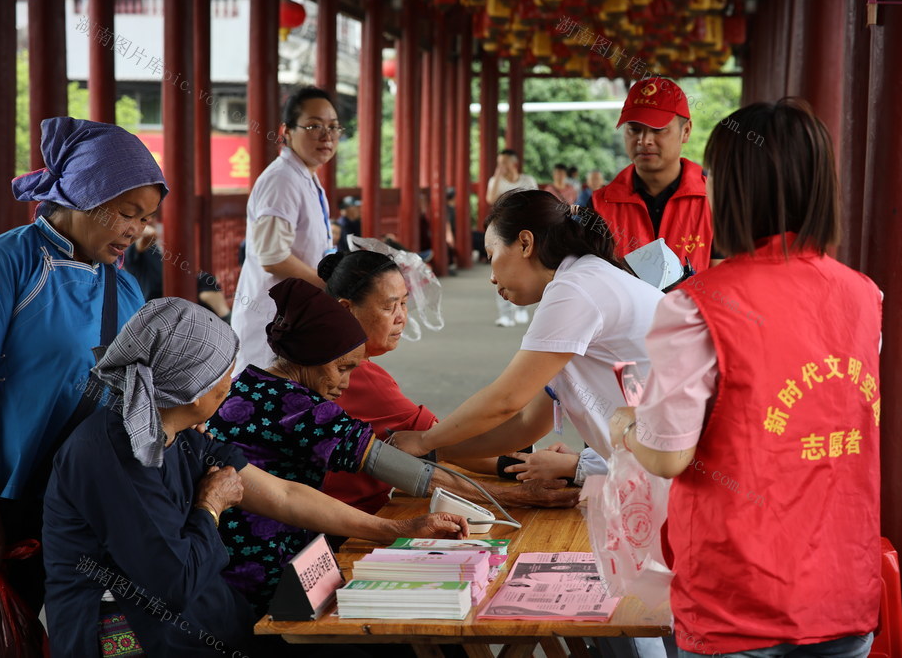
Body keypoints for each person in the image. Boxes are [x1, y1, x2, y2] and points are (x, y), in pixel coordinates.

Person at [609, 99, 881, 657]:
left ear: (733, 188)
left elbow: (667, 455)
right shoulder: (864, 294)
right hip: (843, 589)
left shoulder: (696, 306)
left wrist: (625, 425)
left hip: (736, 599)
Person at [43, 298, 466, 657]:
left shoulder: (182, 433)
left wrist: (394, 529)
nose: (232, 381)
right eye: (222, 371)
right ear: (190, 384)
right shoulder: (115, 453)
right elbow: (173, 581)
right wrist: (210, 506)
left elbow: (281, 495)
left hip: (199, 614)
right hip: (128, 630)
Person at [0, 117, 167, 610]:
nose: (137, 230)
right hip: (3, 495)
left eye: (146, 218)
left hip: (83, 503)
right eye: (128, 212)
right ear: (86, 193)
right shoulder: (1, 263)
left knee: (77, 632)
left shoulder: (124, 286)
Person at [207, 279, 472, 618]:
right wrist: (507, 497)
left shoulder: (250, 382)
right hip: (264, 570)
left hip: (230, 560)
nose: (346, 383)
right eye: (341, 368)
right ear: (309, 356)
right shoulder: (299, 407)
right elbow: (395, 467)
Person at [389, 189, 663, 470]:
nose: (492, 278)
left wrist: (426, 440)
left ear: (524, 243)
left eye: (491, 255)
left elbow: (507, 400)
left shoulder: (574, 289)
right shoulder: (588, 277)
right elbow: (527, 423)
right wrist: (438, 452)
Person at [315, 250, 580, 515]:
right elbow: (439, 443)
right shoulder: (359, 377)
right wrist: (529, 473)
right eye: (388, 307)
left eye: (404, 304)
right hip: (349, 518)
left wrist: (534, 462)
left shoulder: (330, 360)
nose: (401, 317)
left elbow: (439, 444)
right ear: (346, 308)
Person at [232, 85, 342, 375]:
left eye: (333, 126)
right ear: (287, 131)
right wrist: (332, 287)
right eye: (314, 125)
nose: (326, 135)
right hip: (270, 319)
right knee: (263, 404)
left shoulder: (305, 176)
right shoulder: (282, 179)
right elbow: (272, 256)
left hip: (293, 317)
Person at [591, 78, 717, 271]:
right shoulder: (599, 205)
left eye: (658, 130)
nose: (644, 140)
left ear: (686, 131)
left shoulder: (714, 199)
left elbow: (724, 278)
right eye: (634, 129)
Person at [123, 221, 231, 322]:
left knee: (204, 279)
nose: (149, 220)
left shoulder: (156, 249)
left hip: (175, 295)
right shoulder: (132, 250)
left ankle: (225, 316)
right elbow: (150, 234)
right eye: (144, 218)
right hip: (157, 303)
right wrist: (139, 223)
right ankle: (226, 317)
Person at [485, 149, 537, 327]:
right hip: (501, 230)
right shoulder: (494, 181)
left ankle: (521, 308)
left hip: (525, 230)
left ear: (514, 163)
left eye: (505, 162)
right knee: (499, 269)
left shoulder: (527, 181)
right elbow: (491, 199)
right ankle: (505, 314)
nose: (502, 166)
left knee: (525, 268)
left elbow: (536, 203)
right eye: (499, 162)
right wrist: (498, 176)